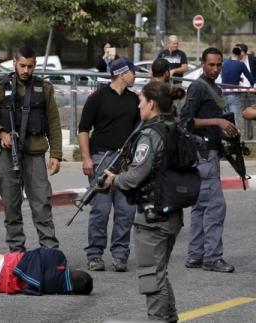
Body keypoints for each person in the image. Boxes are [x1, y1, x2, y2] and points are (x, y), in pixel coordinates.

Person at [103, 81, 185, 322]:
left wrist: (115, 180)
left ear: (151, 103)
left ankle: (160, 319)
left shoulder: (150, 134)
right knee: (158, 272)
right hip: (170, 212)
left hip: (153, 216)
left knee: (151, 276)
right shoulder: (173, 126)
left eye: (141, 101)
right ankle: (170, 318)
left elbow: (136, 175)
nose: (138, 106)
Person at [0, 46, 62, 252]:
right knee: (11, 205)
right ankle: (17, 251)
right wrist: (1, 133)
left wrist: (56, 154)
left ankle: (49, 250)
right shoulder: (0, 87)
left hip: (35, 153)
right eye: (22, 65)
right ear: (14, 62)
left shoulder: (43, 88)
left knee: (42, 203)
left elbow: (53, 122)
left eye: (30, 66)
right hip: (8, 155)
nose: (26, 70)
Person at [78, 58, 139, 272]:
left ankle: (120, 254)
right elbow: (83, 129)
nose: (135, 75)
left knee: (126, 211)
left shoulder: (135, 100)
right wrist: (86, 158)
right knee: (101, 211)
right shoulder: (97, 98)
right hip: (101, 159)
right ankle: (95, 254)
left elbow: (139, 132)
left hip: (125, 164)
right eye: (133, 72)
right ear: (122, 74)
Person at [180, 47, 238, 273]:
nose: (215, 69)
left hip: (211, 151)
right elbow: (185, 121)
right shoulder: (198, 86)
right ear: (203, 64)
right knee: (215, 206)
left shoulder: (214, 87)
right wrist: (217, 122)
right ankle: (212, 257)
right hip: (201, 152)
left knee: (202, 206)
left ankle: (196, 255)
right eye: (211, 64)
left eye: (219, 65)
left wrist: (224, 130)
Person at [221, 46, 255, 127]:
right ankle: (236, 138)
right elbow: (250, 78)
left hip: (223, 93)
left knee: (225, 118)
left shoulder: (225, 63)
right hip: (234, 95)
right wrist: (252, 85)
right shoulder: (241, 64)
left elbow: (225, 76)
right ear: (240, 55)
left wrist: (238, 78)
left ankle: (226, 138)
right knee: (235, 119)